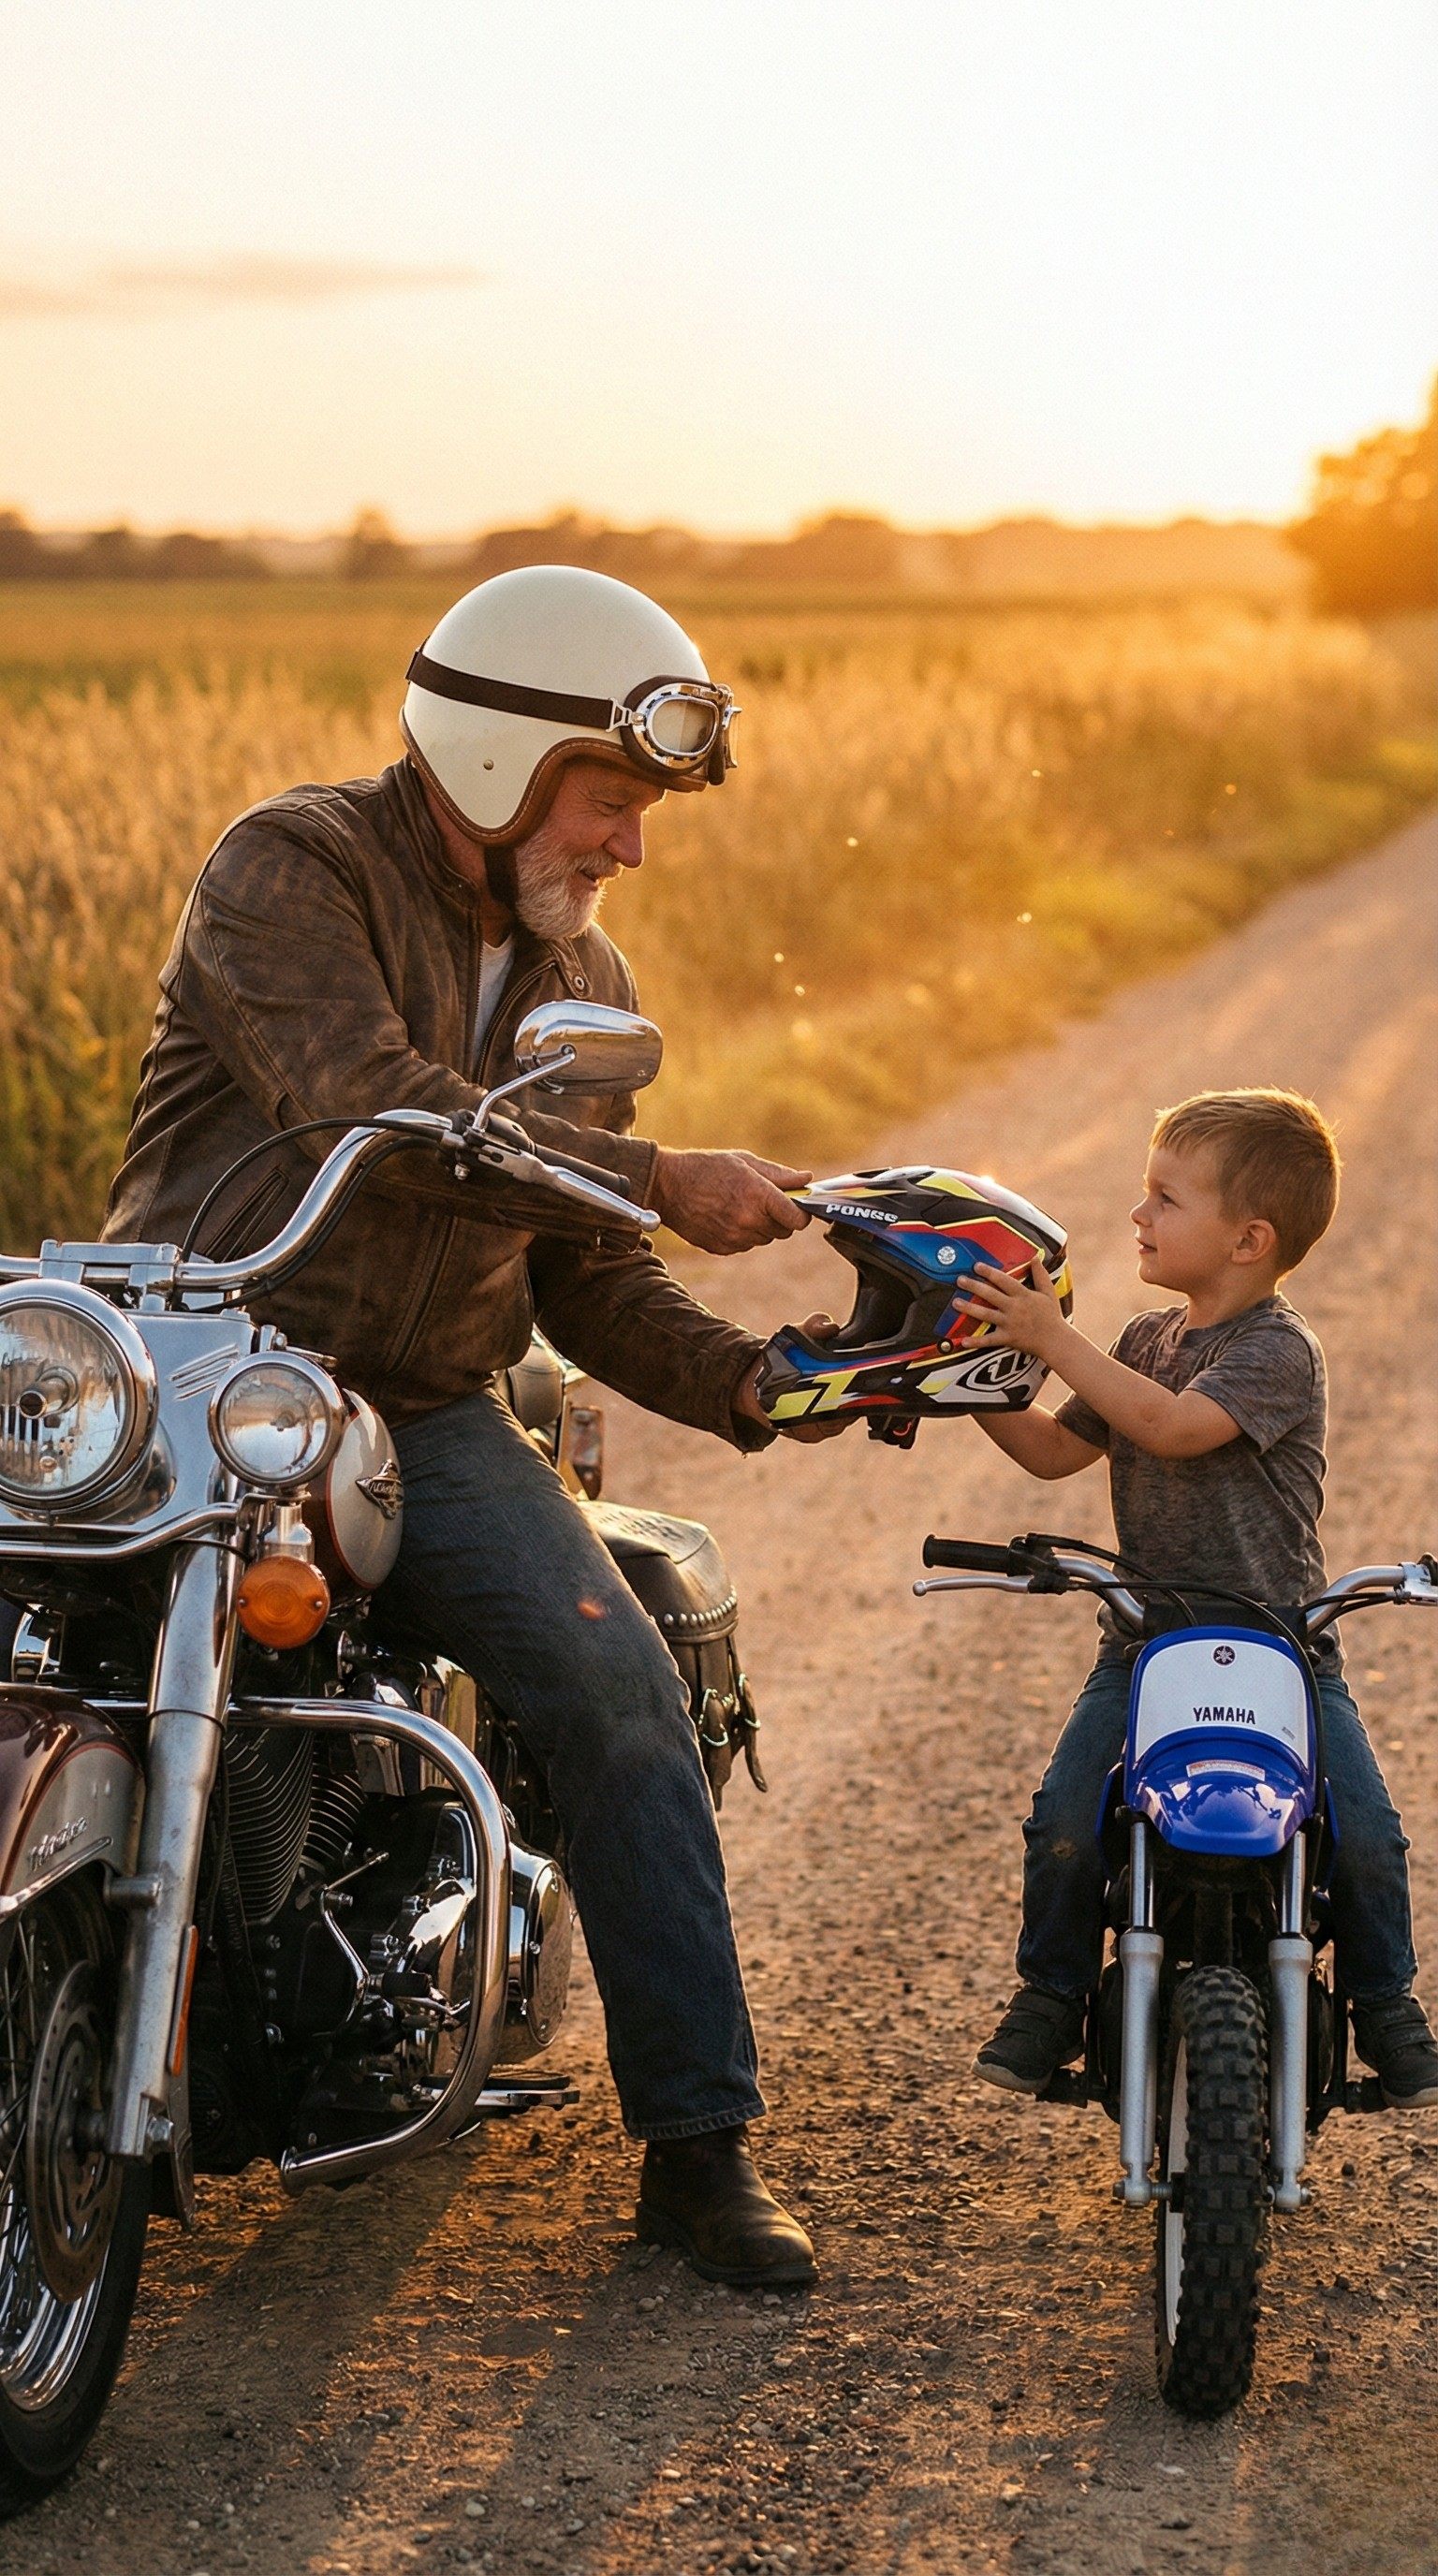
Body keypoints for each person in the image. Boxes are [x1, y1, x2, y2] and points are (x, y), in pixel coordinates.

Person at [104, 565, 840, 2285]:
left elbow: (586, 1277)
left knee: (621, 1693)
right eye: (611, 799)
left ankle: (699, 2143)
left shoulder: (585, 968)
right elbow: (366, 1100)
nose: (631, 845)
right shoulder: (294, 867)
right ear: (501, 759)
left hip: (422, 1411)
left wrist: (754, 1380)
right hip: (199, 1378)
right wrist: (658, 1173)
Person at [946, 1087, 1438, 2110]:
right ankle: (1052, 1995)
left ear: (1250, 1240)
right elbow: (1051, 1451)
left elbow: (1171, 1428)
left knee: (1369, 1837)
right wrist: (952, 1377)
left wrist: (1051, 1338)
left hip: (1282, 1648)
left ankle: (1386, 2006)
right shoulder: (1141, 1341)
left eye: (1166, 1199)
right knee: (1066, 1822)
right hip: (1146, 1647)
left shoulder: (1278, 1350)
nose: (1139, 1214)